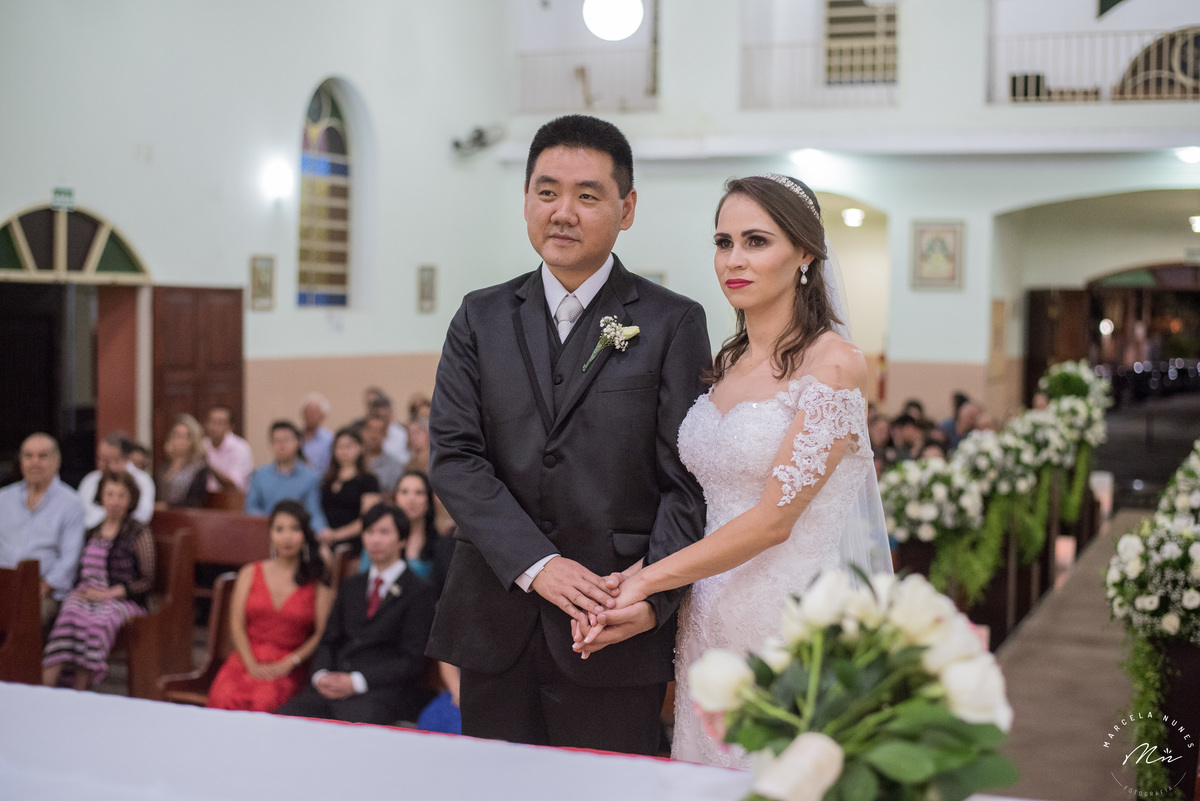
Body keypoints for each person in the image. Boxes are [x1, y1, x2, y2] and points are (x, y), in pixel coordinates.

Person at [573, 174, 892, 768]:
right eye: (723, 243)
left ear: (805, 254)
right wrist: (631, 577)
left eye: (756, 241)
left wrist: (649, 580)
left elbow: (772, 520)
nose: (734, 261)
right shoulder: (726, 363)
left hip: (790, 621)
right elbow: (710, 506)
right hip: (707, 621)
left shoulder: (835, 365)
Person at [427, 114, 711, 755]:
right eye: (546, 191)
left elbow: (688, 481)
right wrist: (538, 564)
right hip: (495, 619)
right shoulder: (481, 315)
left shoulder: (671, 323)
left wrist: (652, 598)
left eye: (587, 195)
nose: (563, 212)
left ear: (626, 208)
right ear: (525, 199)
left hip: (610, 624)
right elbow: (454, 456)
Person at [276, 502, 436, 725]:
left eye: (384, 532)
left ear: (402, 539)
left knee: (354, 734)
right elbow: (328, 640)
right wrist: (321, 675)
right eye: (369, 532)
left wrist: (356, 681)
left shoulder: (419, 591)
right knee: (285, 720)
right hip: (332, 685)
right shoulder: (351, 586)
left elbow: (411, 660)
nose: (375, 540)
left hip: (378, 693)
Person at [207, 500, 334, 712]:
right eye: (279, 529)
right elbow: (236, 624)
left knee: (265, 699)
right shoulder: (250, 572)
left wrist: (290, 662)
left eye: (294, 529)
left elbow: (321, 633)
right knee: (224, 695)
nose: (287, 537)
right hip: (245, 660)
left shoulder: (317, 583)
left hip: (287, 666)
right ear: (271, 535)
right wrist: (250, 664)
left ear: (305, 535)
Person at [42, 470, 155, 689]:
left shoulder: (139, 533)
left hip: (122, 601)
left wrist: (107, 594)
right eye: (110, 494)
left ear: (131, 499)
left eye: (121, 496)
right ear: (101, 497)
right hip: (86, 594)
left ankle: (82, 688)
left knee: (98, 620)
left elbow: (147, 581)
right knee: (70, 613)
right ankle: (47, 686)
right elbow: (78, 571)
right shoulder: (92, 531)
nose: (115, 501)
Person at [0, 433, 86, 626]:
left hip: (44, 591)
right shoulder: (4, 499)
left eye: (43, 456)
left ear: (57, 461)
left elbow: (69, 560)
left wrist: (43, 586)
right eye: (28, 456)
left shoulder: (71, 503)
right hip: (3, 584)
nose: (34, 462)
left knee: (25, 618)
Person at [245, 422, 327, 528]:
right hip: (265, 530)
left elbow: (314, 512)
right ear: (271, 445)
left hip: (298, 532)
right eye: (276, 441)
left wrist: (321, 531)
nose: (281, 445)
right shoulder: (259, 475)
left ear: (299, 442)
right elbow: (251, 508)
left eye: (286, 440)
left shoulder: (312, 477)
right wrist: (275, 522)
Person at [316, 427, 381, 557]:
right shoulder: (326, 481)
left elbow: (368, 518)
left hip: (353, 540)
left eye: (348, 446)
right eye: (339, 447)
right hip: (325, 537)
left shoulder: (368, 480)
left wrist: (335, 535)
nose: (343, 451)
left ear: (361, 448)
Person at [76, 433, 156, 528]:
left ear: (125, 459)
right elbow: (77, 513)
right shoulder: (90, 479)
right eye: (99, 458)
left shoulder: (142, 481)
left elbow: (142, 516)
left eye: (108, 460)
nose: (101, 464)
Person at [392, 471, 453, 595]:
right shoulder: (381, 540)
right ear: (395, 498)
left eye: (419, 493)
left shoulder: (443, 544)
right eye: (404, 492)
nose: (411, 499)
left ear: (429, 500)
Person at [156, 414, 210, 508]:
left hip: (186, 518)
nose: (181, 441)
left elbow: (195, 502)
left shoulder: (199, 469)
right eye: (177, 436)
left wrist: (168, 506)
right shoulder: (163, 469)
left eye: (187, 437)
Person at [203, 406, 254, 493]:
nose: (213, 427)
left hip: (232, 500)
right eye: (211, 421)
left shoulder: (240, 448)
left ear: (230, 427)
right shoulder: (203, 445)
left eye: (219, 423)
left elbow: (233, 485)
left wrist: (208, 465)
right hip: (206, 499)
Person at [361, 416, 403, 496]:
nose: (373, 435)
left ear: (385, 435)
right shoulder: (352, 460)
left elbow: (394, 494)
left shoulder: (394, 465)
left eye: (379, 431)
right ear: (363, 432)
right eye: (370, 430)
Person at [370, 395, 410, 466]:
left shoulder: (401, 433)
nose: (382, 421)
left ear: (390, 414)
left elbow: (404, 459)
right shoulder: (368, 434)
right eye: (378, 417)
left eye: (385, 416)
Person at [300, 392, 334, 475]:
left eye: (315, 412)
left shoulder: (329, 439)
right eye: (308, 411)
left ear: (323, 416)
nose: (310, 415)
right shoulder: (295, 437)